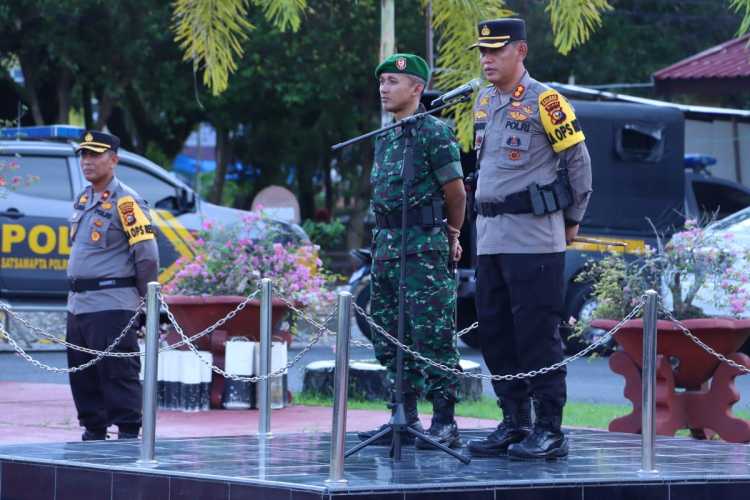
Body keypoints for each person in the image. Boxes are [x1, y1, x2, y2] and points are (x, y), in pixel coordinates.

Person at [465, 19, 592, 460]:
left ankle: (549, 428)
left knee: (537, 334)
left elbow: (578, 164)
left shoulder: (547, 100)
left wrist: (572, 218)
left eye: (495, 51)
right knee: (496, 333)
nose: (486, 59)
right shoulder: (483, 101)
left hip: (535, 237)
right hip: (492, 237)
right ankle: (514, 421)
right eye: (482, 51)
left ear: (520, 51)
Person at [357, 53, 467, 449]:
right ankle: (403, 416)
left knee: (432, 334)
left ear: (416, 89)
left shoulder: (434, 133)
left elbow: (456, 193)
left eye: (393, 82)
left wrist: (452, 234)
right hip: (385, 249)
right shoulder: (384, 137)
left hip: (423, 248)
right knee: (387, 334)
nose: (384, 89)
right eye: (382, 81)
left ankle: (445, 422)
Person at [67, 130, 159, 441]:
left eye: (95, 154)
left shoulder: (127, 203)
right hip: (79, 304)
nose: (87, 161)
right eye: (84, 154)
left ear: (114, 160)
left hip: (113, 303)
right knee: (83, 375)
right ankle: (93, 433)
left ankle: (129, 437)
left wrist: (148, 303)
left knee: (118, 375)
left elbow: (146, 256)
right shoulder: (84, 198)